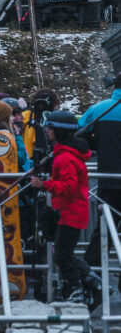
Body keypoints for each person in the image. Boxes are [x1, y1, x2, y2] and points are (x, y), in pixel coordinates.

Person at [31, 110, 100, 309]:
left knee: (62, 254)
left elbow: (69, 187)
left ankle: (78, 288)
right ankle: (91, 283)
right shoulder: (64, 154)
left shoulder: (65, 158)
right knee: (63, 252)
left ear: (59, 131)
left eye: (50, 128)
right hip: (71, 211)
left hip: (72, 212)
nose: (47, 131)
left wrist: (44, 185)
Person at [78, 76, 121, 270]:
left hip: (107, 180)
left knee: (104, 228)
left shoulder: (99, 110)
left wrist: (97, 146)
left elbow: (79, 133)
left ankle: (90, 273)